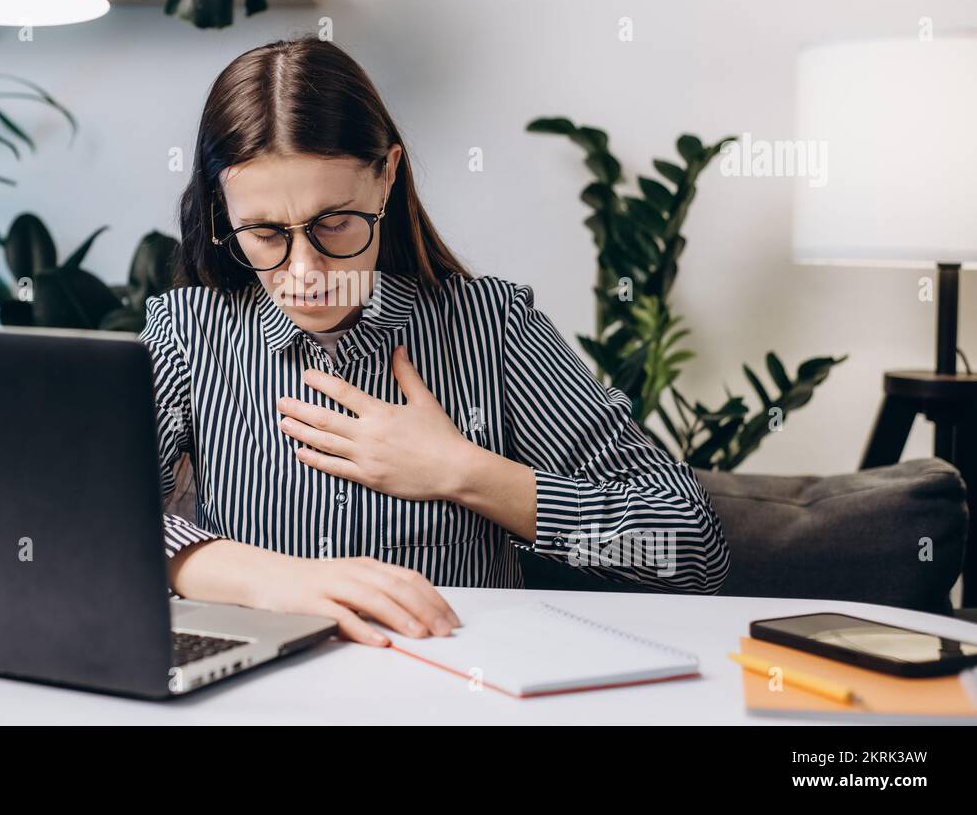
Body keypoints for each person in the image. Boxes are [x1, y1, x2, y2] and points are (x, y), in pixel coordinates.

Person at [141, 36, 730, 646]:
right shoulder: (187, 333)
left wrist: (463, 472)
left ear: (386, 176)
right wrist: (273, 580)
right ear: (222, 209)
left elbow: (692, 550)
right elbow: (78, 521)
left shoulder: (492, 327)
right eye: (264, 233)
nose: (304, 274)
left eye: (335, 223)